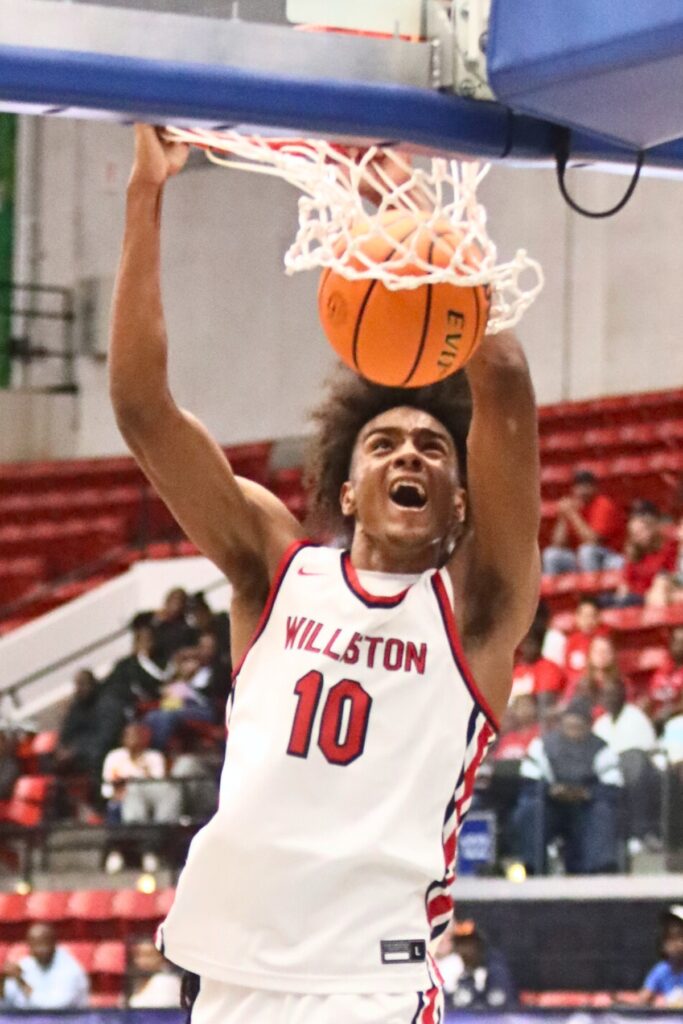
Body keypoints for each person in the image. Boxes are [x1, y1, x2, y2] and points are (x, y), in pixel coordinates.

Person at [109, 124, 540, 1023]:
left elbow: (500, 377)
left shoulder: (476, 610)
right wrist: (145, 195)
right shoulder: (275, 571)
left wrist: (406, 210)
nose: (407, 453)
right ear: (346, 486)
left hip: (371, 985)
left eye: (430, 444)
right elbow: (144, 411)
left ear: (459, 502)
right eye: (383, 443)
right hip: (234, 978)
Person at [513, 699, 623, 874]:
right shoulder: (542, 746)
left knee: (604, 811)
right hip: (552, 805)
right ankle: (532, 866)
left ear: (588, 726)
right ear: (561, 725)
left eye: (578, 727)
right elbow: (530, 782)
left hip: (586, 806)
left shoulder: (601, 749)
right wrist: (550, 791)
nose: (573, 732)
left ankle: (600, 869)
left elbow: (612, 787)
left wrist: (586, 793)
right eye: (569, 726)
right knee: (529, 807)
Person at [101, 722, 182, 874]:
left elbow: (159, 785)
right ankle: (117, 853)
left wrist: (143, 770)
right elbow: (106, 788)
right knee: (115, 808)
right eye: (130, 735)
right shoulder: (114, 757)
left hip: (149, 801)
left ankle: (149, 852)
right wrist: (117, 793)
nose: (135, 739)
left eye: (139, 735)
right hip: (121, 800)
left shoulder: (154, 757)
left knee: (160, 805)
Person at [593, 676, 660, 853]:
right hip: (609, 776)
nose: (610, 698)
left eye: (614, 694)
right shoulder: (601, 724)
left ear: (623, 695)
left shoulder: (636, 717)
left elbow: (642, 754)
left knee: (633, 762)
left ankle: (640, 834)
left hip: (640, 775)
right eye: (606, 694)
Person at [542, 469, 625, 575]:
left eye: (587, 485)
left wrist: (572, 514)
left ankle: (594, 591)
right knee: (551, 555)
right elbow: (558, 543)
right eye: (579, 486)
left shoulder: (604, 504)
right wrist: (563, 517)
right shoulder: (574, 506)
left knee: (587, 551)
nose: (583, 490)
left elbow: (592, 540)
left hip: (609, 558)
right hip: (581, 560)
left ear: (595, 488)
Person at [0, 923, 89, 1009]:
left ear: (54, 943)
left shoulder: (70, 969)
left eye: (44, 944)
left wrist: (21, 982)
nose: (40, 950)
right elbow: (6, 1005)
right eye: (35, 945)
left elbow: (53, 1009)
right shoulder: (26, 964)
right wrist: (2, 981)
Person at [608, 503, 678, 608]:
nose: (637, 537)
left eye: (641, 532)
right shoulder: (633, 553)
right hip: (633, 596)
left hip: (649, 595)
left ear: (651, 529)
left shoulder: (667, 548)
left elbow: (669, 576)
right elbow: (626, 582)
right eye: (634, 534)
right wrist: (619, 599)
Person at [447, 920, 517, 1011]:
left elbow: (505, 1002)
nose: (466, 949)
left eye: (470, 943)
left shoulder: (496, 970)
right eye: (460, 944)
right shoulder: (449, 968)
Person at [639, 905, 683, 1007]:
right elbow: (643, 999)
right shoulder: (661, 970)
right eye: (670, 938)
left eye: (680, 936)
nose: (675, 944)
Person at [511, 628, 566, 709]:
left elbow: (545, 702)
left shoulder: (549, 668)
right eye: (524, 643)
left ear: (539, 645)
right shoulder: (516, 667)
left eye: (530, 643)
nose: (527, 647)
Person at [643, 627, 683, 729]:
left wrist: (667, 714)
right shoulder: (662, 670)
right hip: (658, 720)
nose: (680, 646)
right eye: (676, 641)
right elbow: (652, 696)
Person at [127, 938, 182, 1008]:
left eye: (149, 955)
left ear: (162, 957)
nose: (143, 960)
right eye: (139, 955)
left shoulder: (166, 981)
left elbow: (162, 1015)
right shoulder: (134, 981)